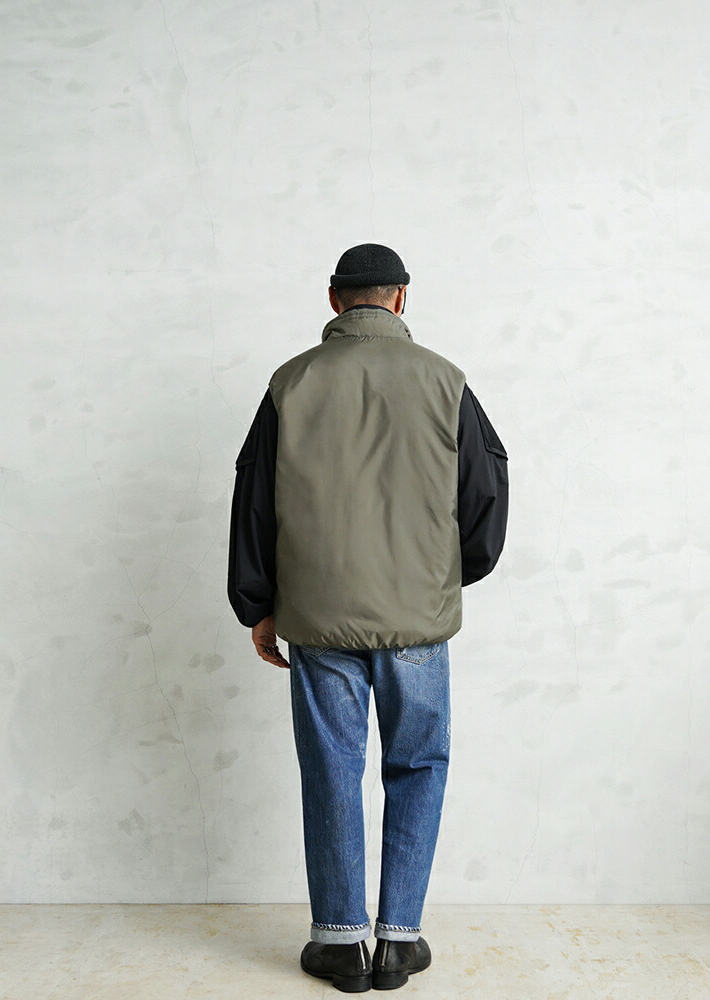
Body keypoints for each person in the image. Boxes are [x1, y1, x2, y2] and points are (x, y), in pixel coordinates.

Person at [227, 243, 509, 992]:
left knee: (332, 768)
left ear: (333, 299)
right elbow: (486, 490)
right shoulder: (446, 380)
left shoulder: (290, 382)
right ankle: (398, 941)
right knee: (417, 765)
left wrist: (257, 603)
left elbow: (253, 497)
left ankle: (338, 943)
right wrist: (442, 578)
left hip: (318, 616)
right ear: (401, 298)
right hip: (417, 614)